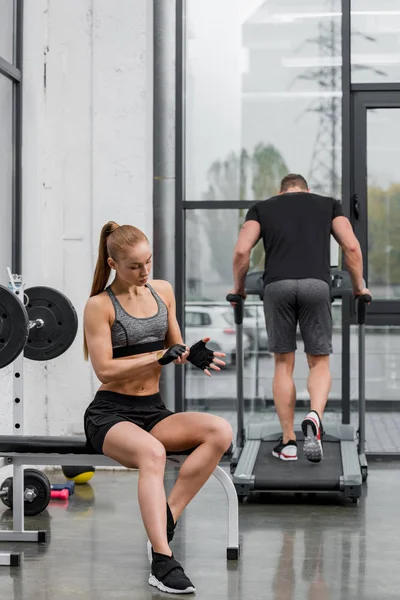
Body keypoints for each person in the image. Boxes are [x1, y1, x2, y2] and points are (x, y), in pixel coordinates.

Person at [83, 221, 233, 595]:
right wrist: (158, 358)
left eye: (149, 262)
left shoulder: (162, 290)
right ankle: (163, 562)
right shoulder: (99, 306)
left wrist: (191, 354)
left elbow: (175, 344)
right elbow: (104, 368)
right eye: (135, 266)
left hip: (153, 410)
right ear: (113, 263)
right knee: (153, 453)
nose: (145, 271)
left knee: (220, 431)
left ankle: (164, 519)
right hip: (109, 414)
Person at [231, 173, 371, 464]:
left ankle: (289, 442)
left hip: (277, 286)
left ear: (280, 191)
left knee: (283, 364)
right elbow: (352, 247)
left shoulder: (262, 207)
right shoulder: (328, 204)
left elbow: (242, 250)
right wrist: (359, 286)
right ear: (307, 190)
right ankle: (314, 417)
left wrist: (239, 289)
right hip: (316, 285)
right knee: (318, 362)